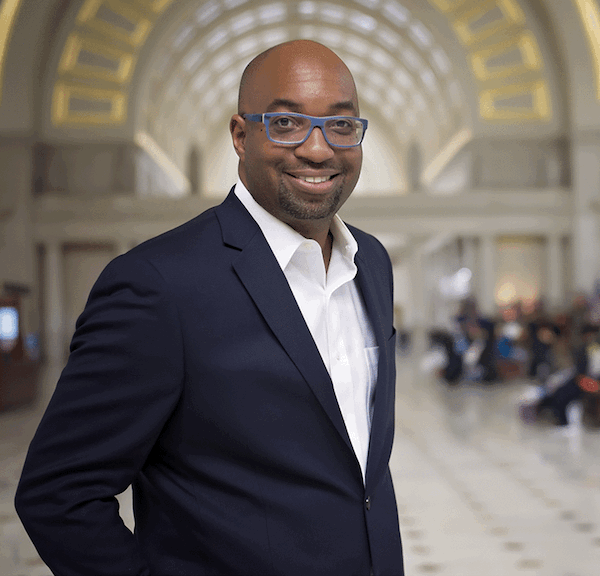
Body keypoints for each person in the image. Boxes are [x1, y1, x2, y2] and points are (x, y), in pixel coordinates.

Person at [15, 40, 404, 576]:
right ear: (241, 136)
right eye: (286, 124)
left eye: (340, 126)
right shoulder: (158, 285)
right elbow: (59, 493)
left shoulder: (373, 263)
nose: (319, 150)